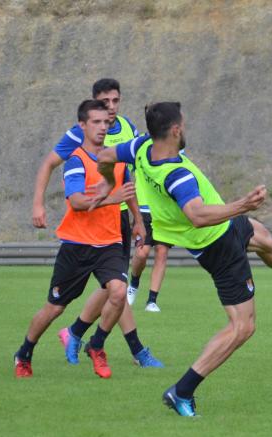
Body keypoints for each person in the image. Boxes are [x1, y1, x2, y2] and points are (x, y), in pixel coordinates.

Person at [92, 102, 272, 416]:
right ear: (176, 130)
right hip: (216, 245)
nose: (186, 128)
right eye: (185, 124)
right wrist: (243, 204)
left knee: (261, 238)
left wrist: (110, 183)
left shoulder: (142, 147)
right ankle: (182, 391)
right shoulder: (176, 175)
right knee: (243, 327)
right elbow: (196, 215)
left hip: (225, 228)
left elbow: (105, 156)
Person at [32, 78, 163, 368]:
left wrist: (137, 217)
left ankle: (77, 333)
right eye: (105, 103)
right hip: (89, 221)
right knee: (114, 287)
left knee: (115, 287)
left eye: (116, 101)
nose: (111, 108)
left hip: (117, 220)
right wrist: (38, 204)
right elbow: (48, 164)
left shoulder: (127, 127)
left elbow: (126, 175)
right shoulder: (81, 134)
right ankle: (132, 349)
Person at [14, 100, 143, 379]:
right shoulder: (76, 160)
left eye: (105, 122)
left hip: (109, 242)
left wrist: (139, 221)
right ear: (82, 125)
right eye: (95, 122)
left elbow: (128, 189)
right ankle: (24, 352)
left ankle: (96, 345)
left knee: (119, 292)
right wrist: (113, 199)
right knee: (54, 308)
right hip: (77, 245)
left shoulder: (115, 159)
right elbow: (77, 202)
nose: (102, 127)